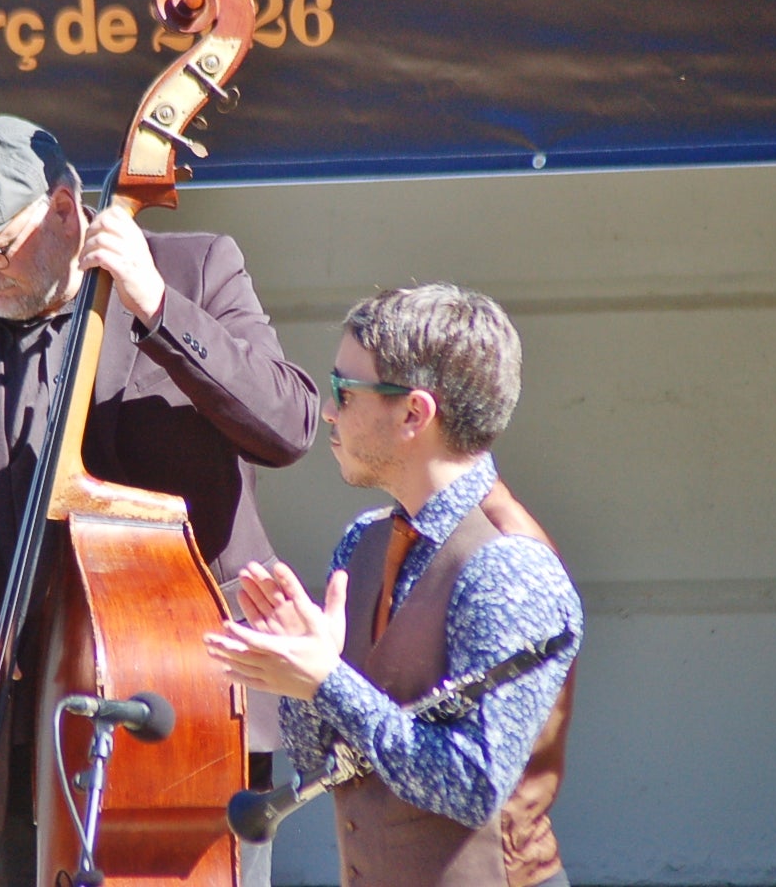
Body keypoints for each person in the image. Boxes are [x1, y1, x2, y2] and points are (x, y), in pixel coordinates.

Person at [0, 114, 318, 887]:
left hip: (195, 706)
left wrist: (155, 303)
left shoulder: (198, 269)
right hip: (31, 731)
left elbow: (288, 425)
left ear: (67, 208)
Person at [204, 283, 582, 887]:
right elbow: (325, 762)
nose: (328, 410)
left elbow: (472, 786)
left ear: (415, 413)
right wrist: (307, 682)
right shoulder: (365, 541)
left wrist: (329, 681)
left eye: (344, 391)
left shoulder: (511, 566)